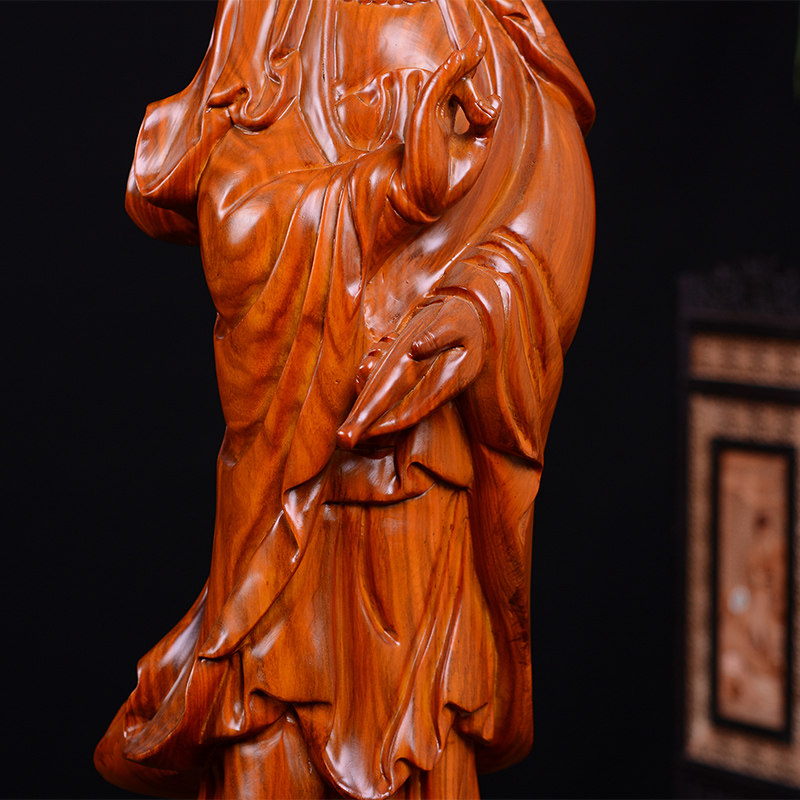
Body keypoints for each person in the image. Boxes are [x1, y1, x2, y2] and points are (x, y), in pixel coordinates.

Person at [95, 1, 595, 797]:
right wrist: (385, 194)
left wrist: (479, 309)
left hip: (425, 482)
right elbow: (228, 197)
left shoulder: (488, 28)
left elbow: (549, 218)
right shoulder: (274, 18)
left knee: (423, 746)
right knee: (266, 731)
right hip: (288, 492)